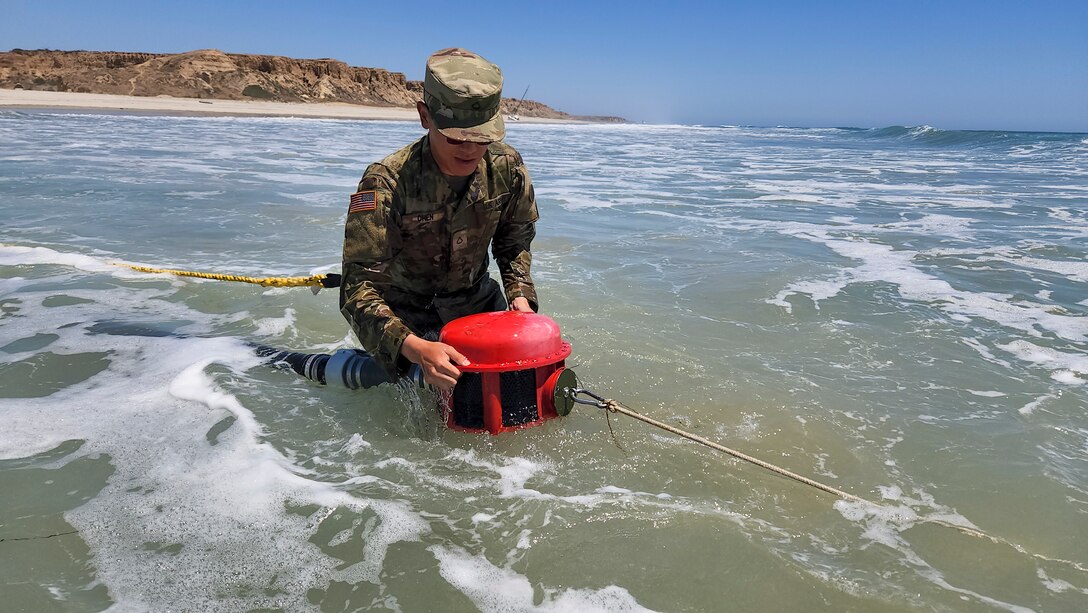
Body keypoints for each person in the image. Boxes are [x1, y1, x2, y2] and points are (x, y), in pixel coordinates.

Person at [339, 48, 539, 392]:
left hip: (478, 307)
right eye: (456, 137)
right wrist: (415, 348)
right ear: (424, 116)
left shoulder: (507, 167)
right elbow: (357, 288)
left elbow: (513, 240)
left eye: (483, 138)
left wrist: (520, 298)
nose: (470, 149)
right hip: (407, 318)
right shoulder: (386, 181)